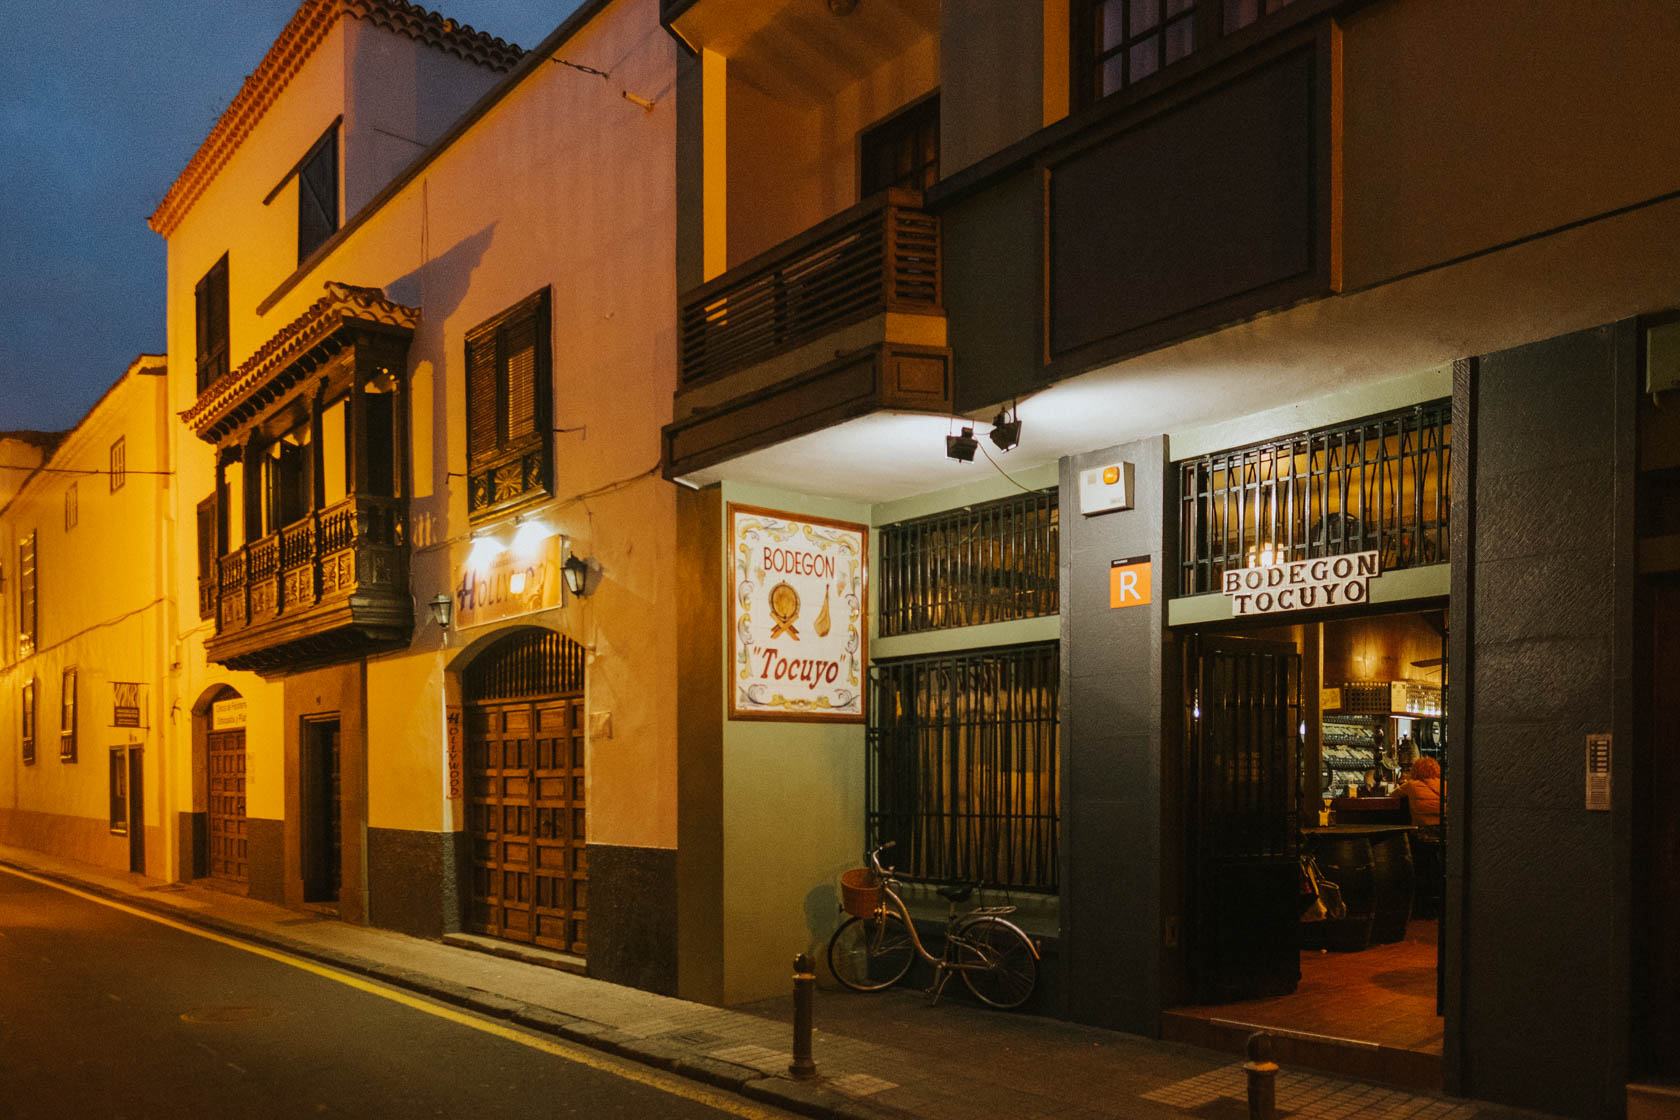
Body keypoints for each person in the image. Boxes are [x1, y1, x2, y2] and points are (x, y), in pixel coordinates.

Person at [1398, 756, 1443, 829]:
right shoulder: (1445, 784)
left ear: (1415, 770)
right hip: (1443, 831)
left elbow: (1393, 795)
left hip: (1421, 830)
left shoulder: (1411, 785)